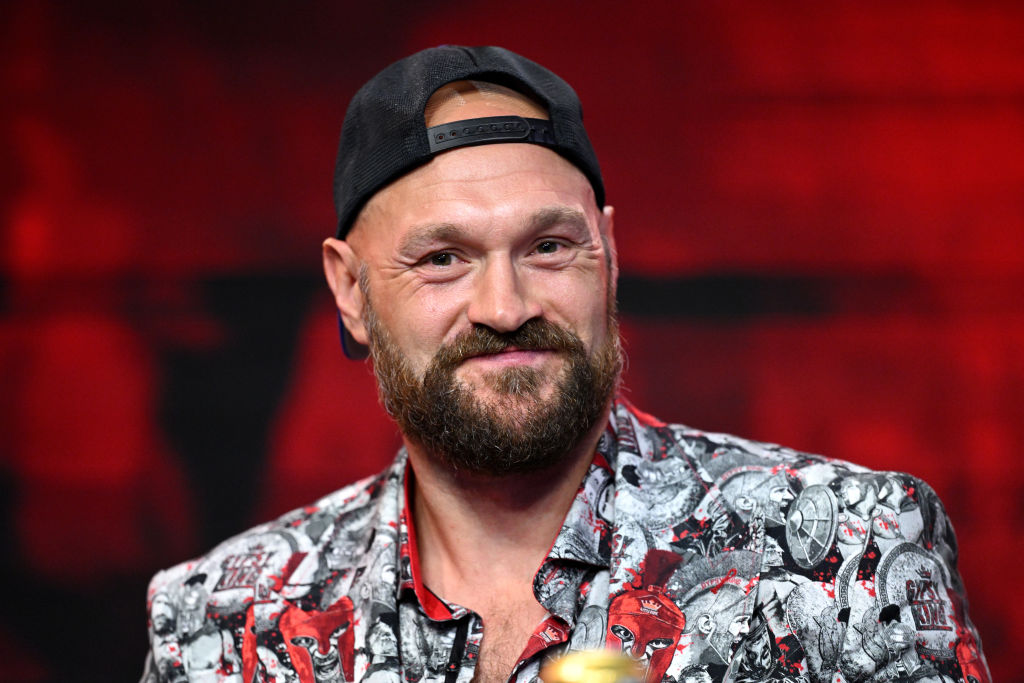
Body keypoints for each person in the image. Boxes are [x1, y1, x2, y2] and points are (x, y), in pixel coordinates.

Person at [141, 45, 990, 683]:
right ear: (351, 290)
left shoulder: (853, 551)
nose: (505, 306)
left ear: (608, 254)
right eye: (443, 258)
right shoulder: (220, 621)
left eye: (548, 246)